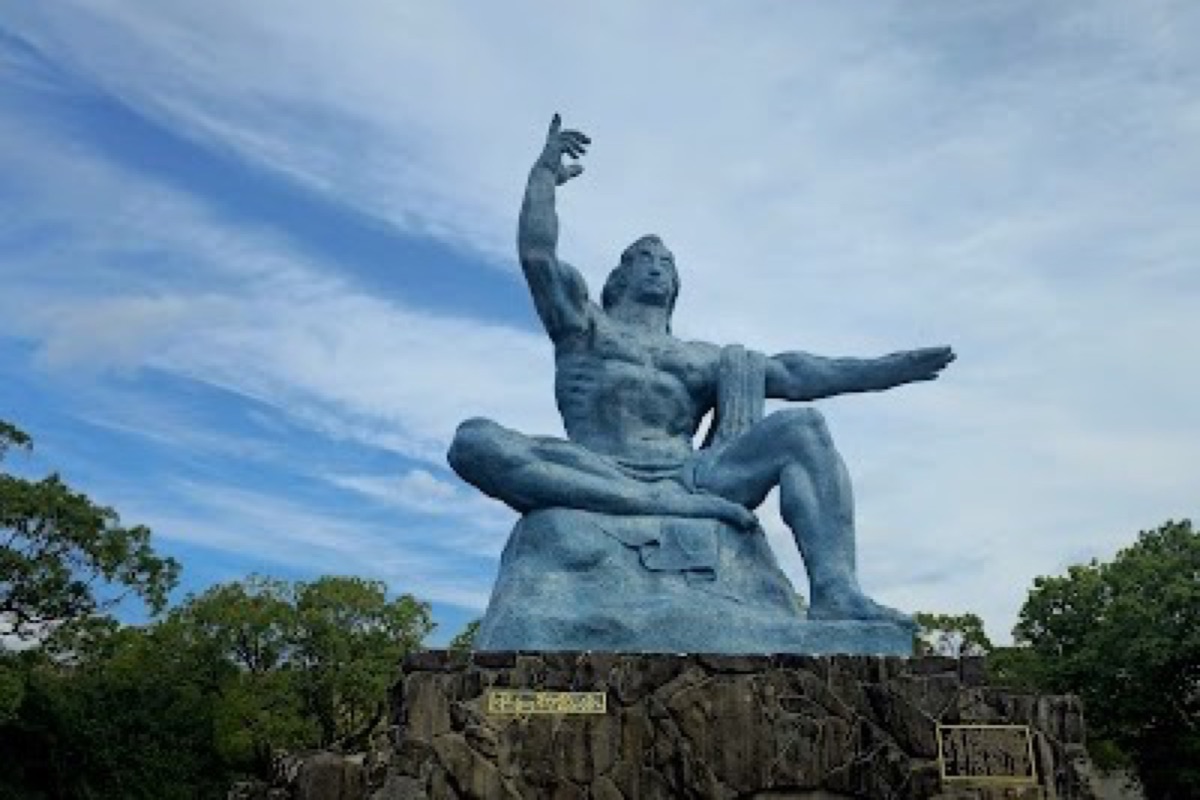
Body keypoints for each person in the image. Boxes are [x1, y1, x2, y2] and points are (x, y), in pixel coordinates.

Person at [449, 115, 955, 623]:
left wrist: (890, 369)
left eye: (666, 262)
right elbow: (538, 256)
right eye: (642, 257)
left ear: (676, 284)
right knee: (473, 441)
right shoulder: (585, 327)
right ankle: (646, 502)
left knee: (803, 428)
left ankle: (837, 591)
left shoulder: (701, 358)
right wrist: (543, 177)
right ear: (616, 276)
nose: (655, 265)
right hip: (597, 465)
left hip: (693, 476)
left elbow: (796, 374)